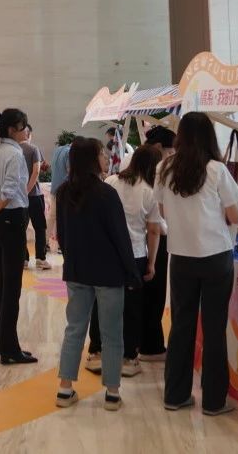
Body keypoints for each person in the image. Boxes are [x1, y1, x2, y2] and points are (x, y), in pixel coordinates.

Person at [156, 111, 238, 415]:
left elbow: (163, 212)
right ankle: (214, 401)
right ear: (209, 136)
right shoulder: (217, 169)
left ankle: (175, 395)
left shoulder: (164, 168)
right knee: (214, 328)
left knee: (181, 326)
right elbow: (236, 216)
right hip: (216, 256)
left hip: (180, 257)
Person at [55, 137, 141, 412]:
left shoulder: (64, 192)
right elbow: (120, 237)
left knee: (74, 329)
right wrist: (131, 272)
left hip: (77, 271)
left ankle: (65, 389)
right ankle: (112, 393)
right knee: (112, 332)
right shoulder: (106, 194)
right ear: (92, 160)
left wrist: (71, 260)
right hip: (108, 273)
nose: (106, 158)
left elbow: (62, 235)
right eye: (102, 154)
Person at [85, 143, 163, 378]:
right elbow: (153, 231)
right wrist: (151, 262)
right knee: (132, 308)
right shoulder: (149, 192)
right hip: (135, 254)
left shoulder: (110, 182)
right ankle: (129, 357)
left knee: (101, 303)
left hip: (106, 253)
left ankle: (96, 352)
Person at [0, 108, 36, 364]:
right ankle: (9, 349)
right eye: (23, 126)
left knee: (3, 283)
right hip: (10, 219)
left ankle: (0, 342)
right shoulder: (13, 154)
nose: (26, 131)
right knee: (11, 286)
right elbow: (10, 190)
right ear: (13, 130)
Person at [139, 124, 175, 361]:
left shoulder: (136, 163)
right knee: (154, 293)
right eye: (171, 151)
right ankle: (151, 347)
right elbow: (155, 221)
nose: (173, 156)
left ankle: (142, 343)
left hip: (139, 240)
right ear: (160, 147)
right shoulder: (155, 169)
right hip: (153, 238)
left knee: (144, 295)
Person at [22, 125, 48, 270]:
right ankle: (40, 259)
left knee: (21, 228)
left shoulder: (13, 149)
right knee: (40, 227)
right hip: (34, 195)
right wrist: (28, 190)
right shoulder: (33, 149)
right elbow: (37, 170)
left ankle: (24, 259)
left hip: (19, 197)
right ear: (29, 134)